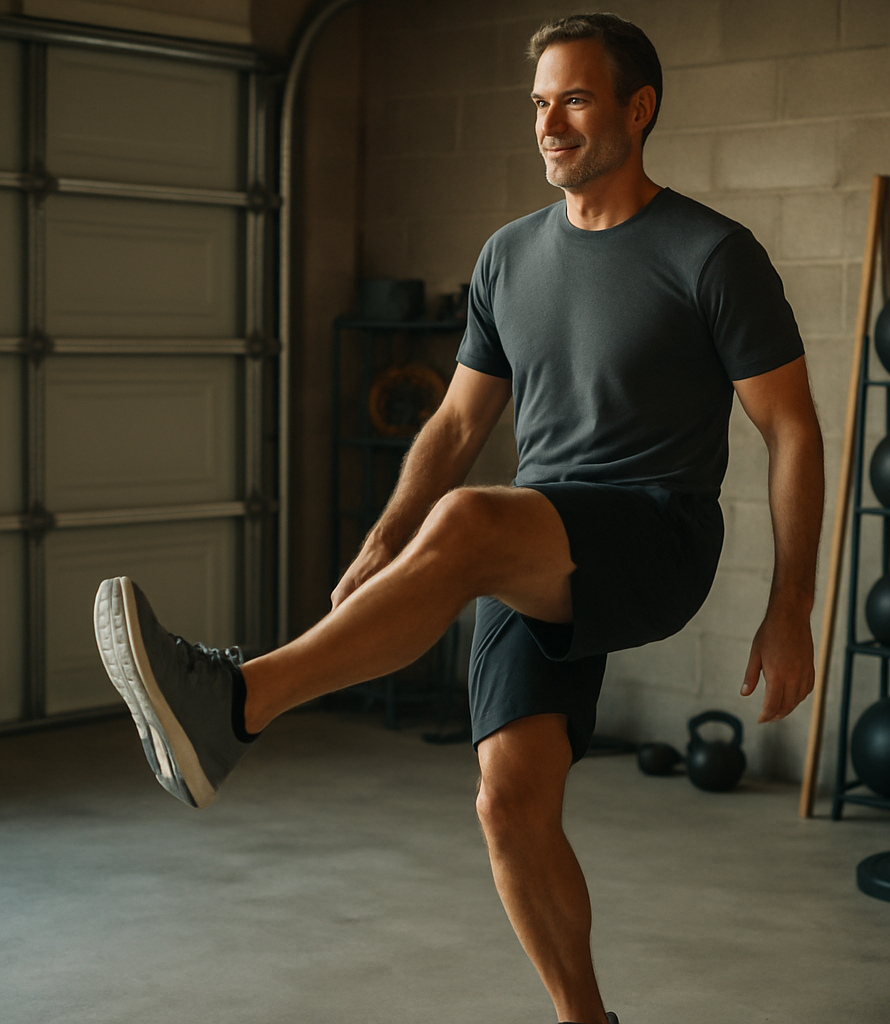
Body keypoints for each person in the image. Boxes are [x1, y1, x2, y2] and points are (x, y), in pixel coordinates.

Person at [94, 13, 824, 1024]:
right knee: (508, 806)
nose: (549, 122)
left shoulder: (712, 255)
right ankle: (586, 1019)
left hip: (651, 534)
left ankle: (234, 705)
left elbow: (792, 430)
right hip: (527, 546)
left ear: (637, 108)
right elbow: (454, 421)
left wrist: (791, 605)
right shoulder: (508, 256)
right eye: (538, 103)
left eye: (572, 98)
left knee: (479, 519)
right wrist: (388, 540)